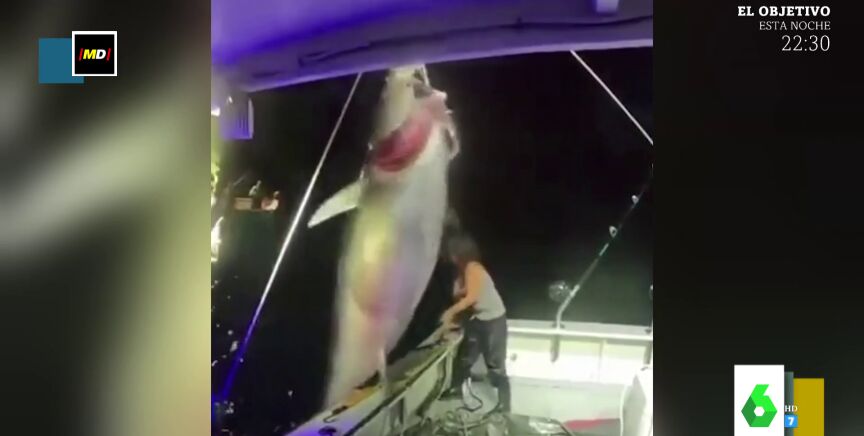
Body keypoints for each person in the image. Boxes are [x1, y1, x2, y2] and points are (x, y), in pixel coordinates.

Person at [440, 231, 511, 412]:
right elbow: (460, 295)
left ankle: (505, 404)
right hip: (477, 319)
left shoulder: (474, 268)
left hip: (493, 320)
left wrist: (450, 312)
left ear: (461, 252)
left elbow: (472, 297)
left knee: (495, 364)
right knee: (465, 357)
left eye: (452, 252)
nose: (450, 256)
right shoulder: (462, 271)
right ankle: (456, 388)